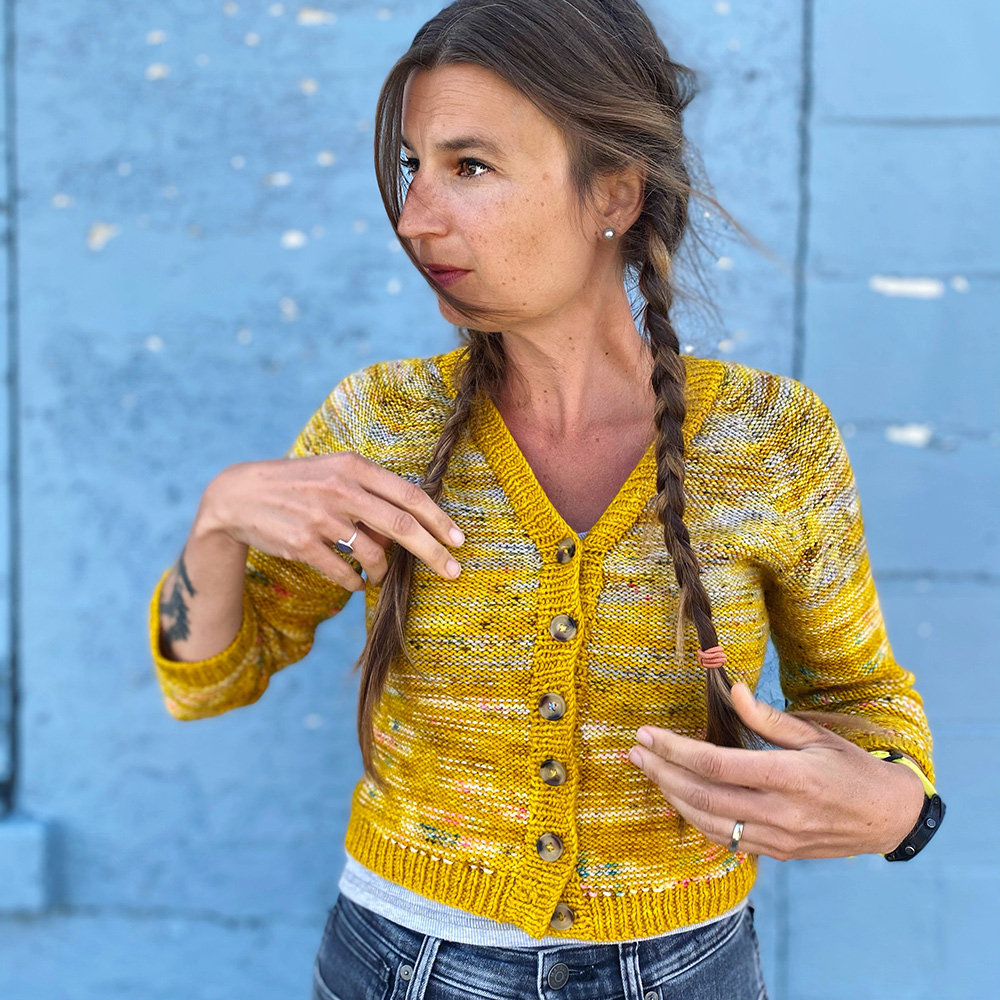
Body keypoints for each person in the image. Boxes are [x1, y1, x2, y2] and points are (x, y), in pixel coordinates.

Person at [147, 2, 943, 998]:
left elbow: (860, 696)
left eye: (470, 166)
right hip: (404, 965)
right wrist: (217, 522)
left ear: (614, 189)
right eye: (412, 167)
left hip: (689, 968)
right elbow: (210, 680)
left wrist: (898, 810)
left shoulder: (772, 439)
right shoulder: (380, 421)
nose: (414, 217)